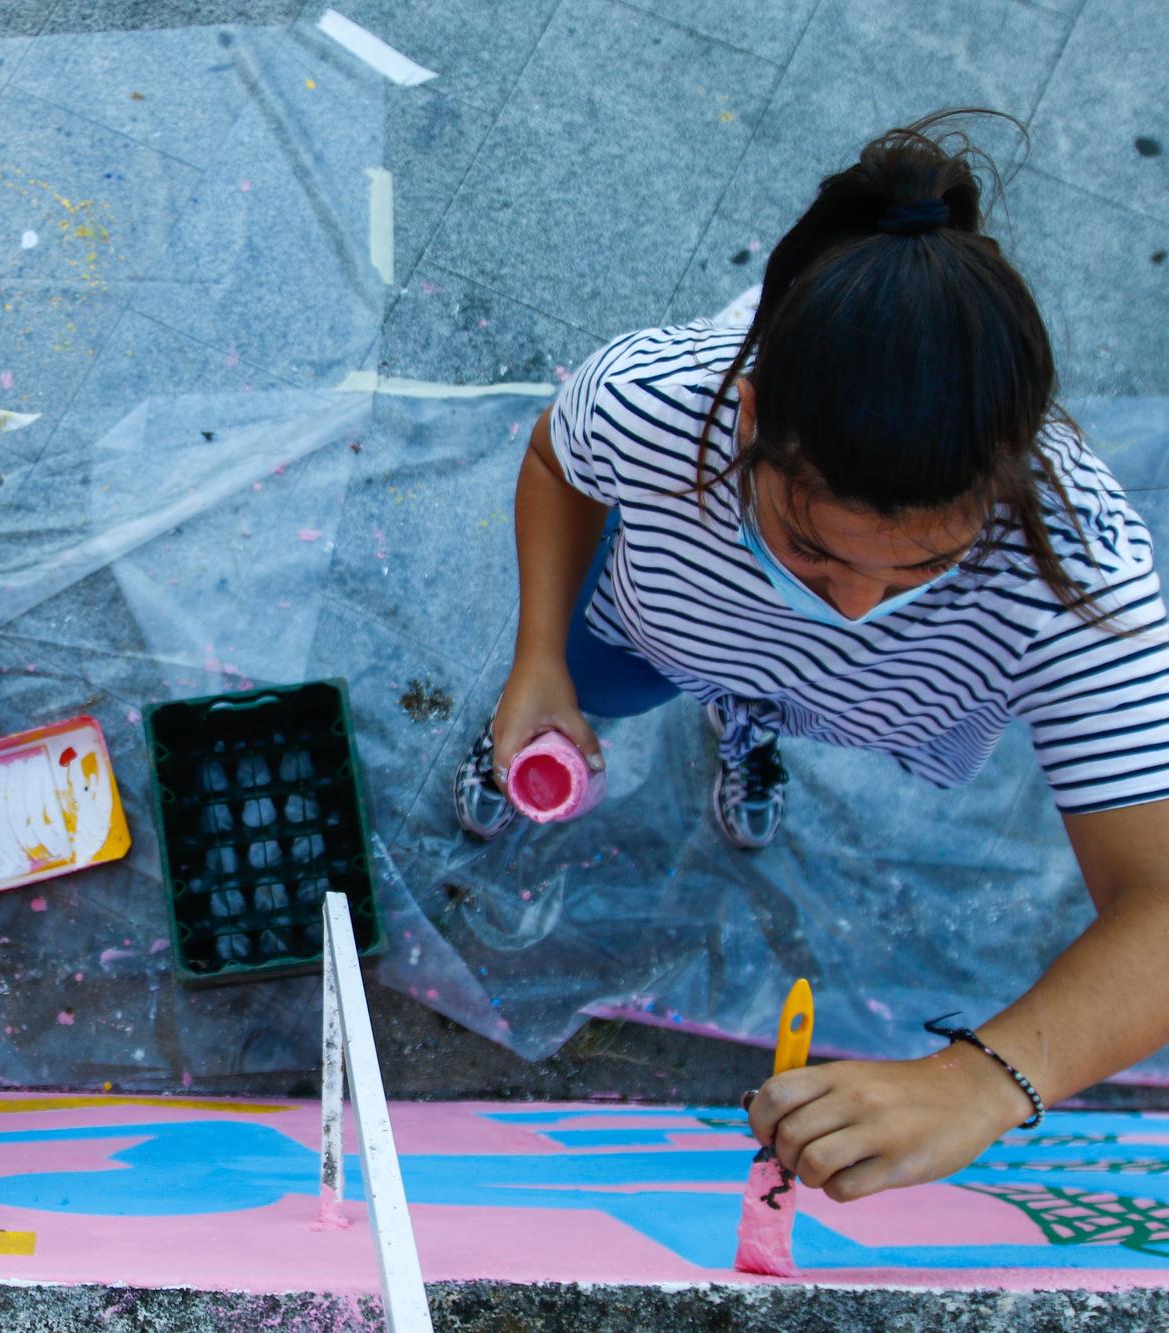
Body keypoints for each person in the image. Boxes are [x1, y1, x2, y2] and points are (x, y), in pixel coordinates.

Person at [452, 113, 1169, 1200]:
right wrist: (538, 657)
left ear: (1009, 482)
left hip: (863, 711)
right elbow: (557, 459)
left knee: (770, 701)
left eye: (922, 569)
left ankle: (750, 731)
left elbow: (1158, 900)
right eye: (809, 549)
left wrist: (978, 1082)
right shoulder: (661, 400)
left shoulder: (1078, 571)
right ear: (742, 420)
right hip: (659, 632)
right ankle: (641, 714)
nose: (849, 608)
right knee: (598, 687)